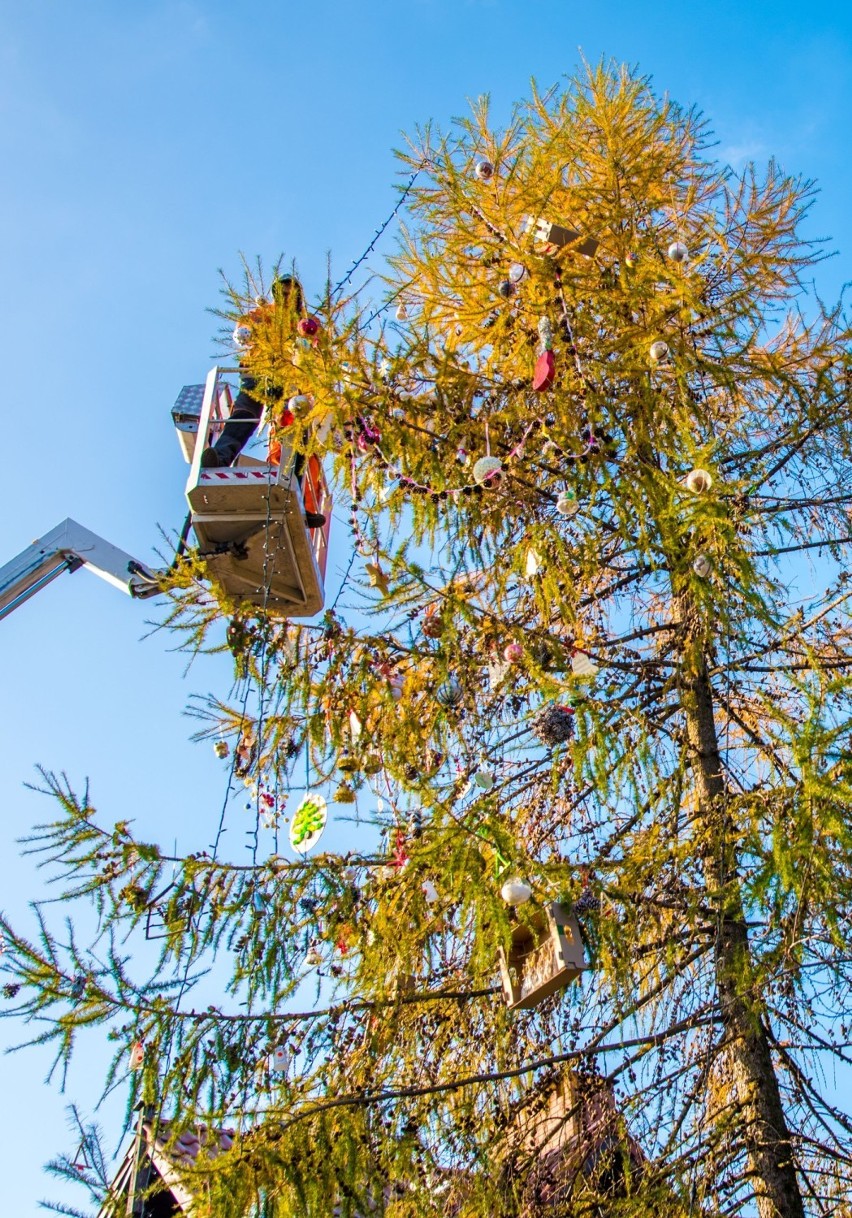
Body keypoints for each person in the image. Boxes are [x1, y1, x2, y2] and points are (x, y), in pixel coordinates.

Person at [200, 274, 326, 529]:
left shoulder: (308, 322)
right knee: (245, 415)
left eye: (291, 291)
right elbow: (244, 330)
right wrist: (246, 333)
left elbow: (320, 346)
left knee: (296, 435)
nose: (288, 295)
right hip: (259, 370)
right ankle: (220, 458)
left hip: (294, 377)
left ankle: (300, 497)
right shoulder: (262, 313)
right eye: (283, 291)